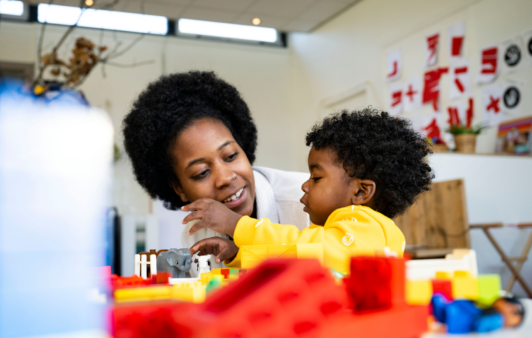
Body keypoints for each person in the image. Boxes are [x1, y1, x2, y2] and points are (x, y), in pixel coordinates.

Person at [185, 109, 434, 275]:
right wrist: (239, 254)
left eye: (316, 177)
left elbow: (308, 250)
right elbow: (297, 256)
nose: (304, 185)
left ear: (361, 192)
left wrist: (238, 225)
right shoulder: (336, 232)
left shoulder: (367, 226)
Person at [122, 71, 310, 272]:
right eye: (201, 172)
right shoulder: (197, 235)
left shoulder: (307, 204)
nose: (225, 178)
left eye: (230, 156)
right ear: (179, 189)